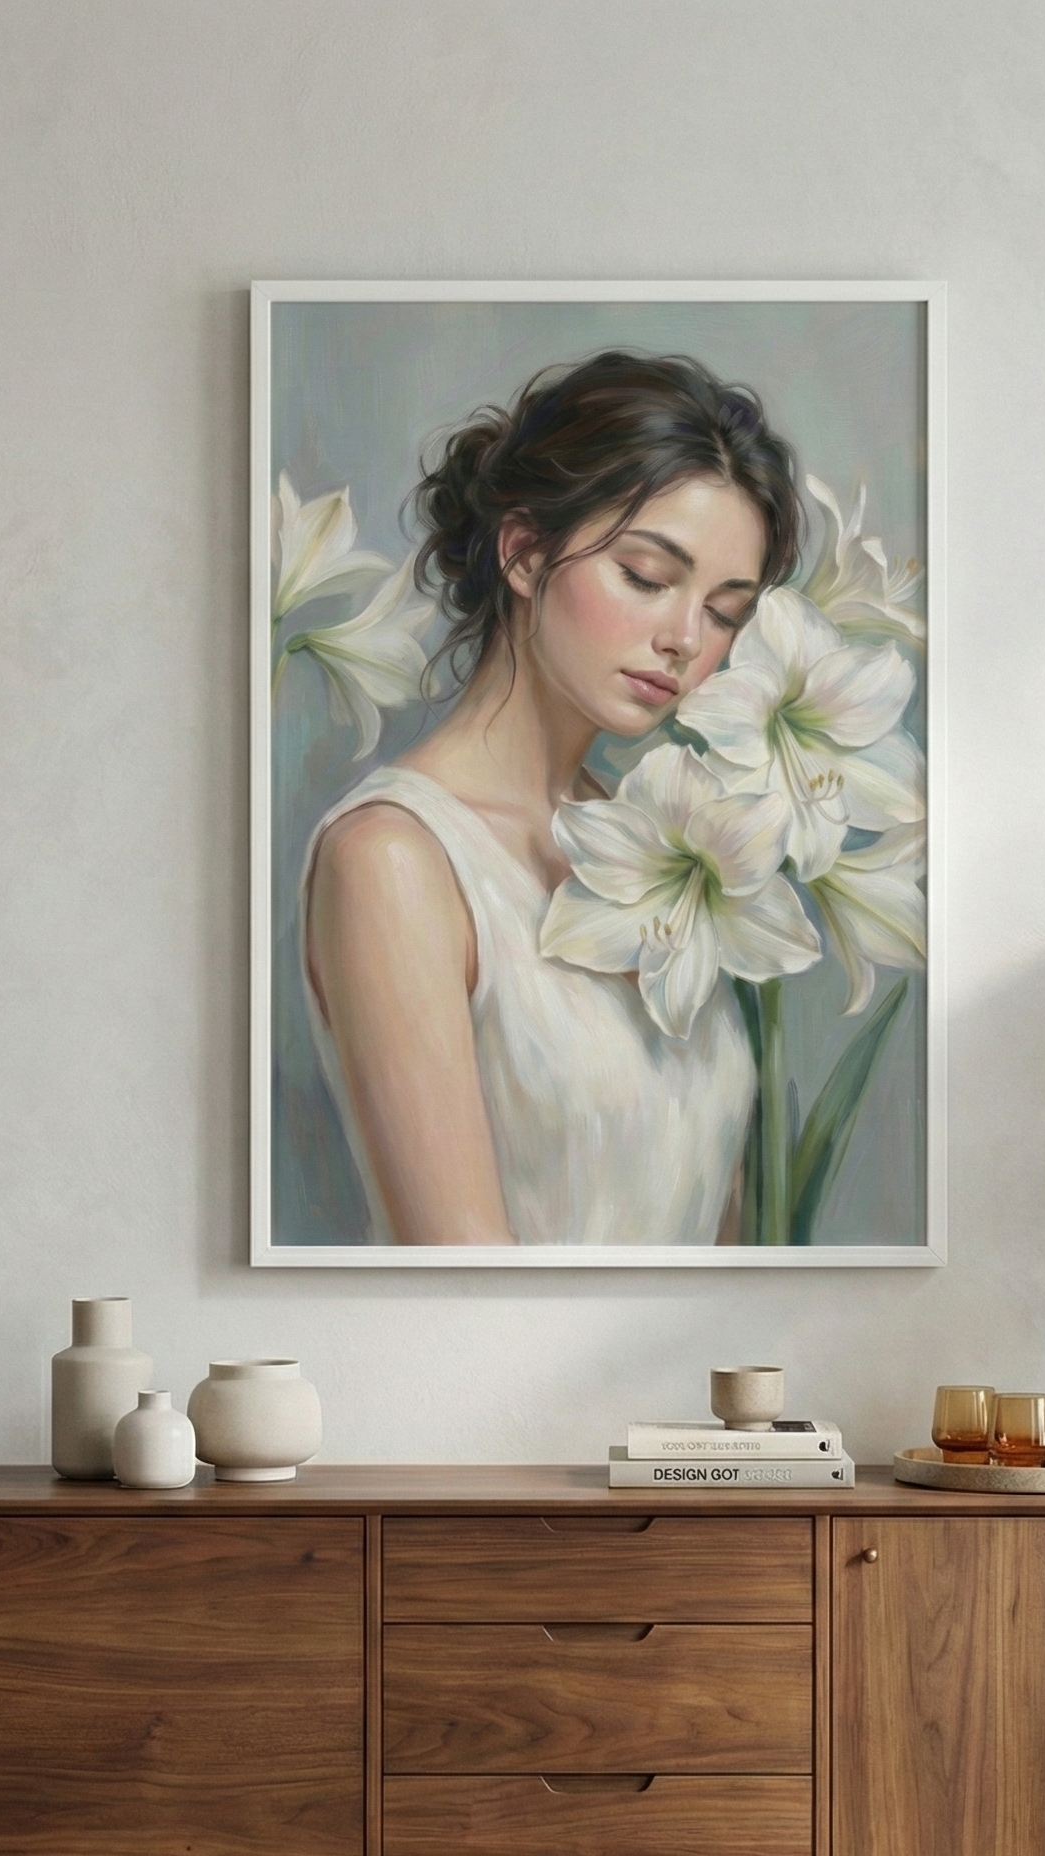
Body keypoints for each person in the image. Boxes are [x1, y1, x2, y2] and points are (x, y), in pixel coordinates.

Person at [301, 350, 805, 1245]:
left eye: (726, 611)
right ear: (526, 554)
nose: (686, 639)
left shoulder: (671, 849)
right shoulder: (394, 862)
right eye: (648, 578)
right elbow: (465, 1283)